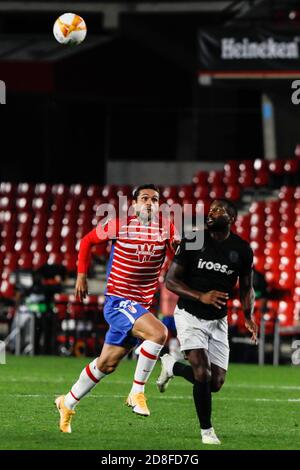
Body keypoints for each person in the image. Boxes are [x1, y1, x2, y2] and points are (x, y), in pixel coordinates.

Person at [55, 184, 179, 433]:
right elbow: (87, 241)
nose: (149, 202)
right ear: (133, 204)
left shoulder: (166, 228)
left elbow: (176, 260)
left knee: (106, 364)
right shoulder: (119, 224)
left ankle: (66, 403)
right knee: (159, 333)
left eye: (154, 199)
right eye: (144, 198)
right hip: (118, 301)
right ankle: (137, 393)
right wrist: (81, 275)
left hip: (140, 306)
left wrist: (178, 250)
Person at [156, 199, 257, 445]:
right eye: (210, 209)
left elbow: (246, 287)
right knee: (202, 371)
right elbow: (171, 281)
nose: (211, 213)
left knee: (216, 383)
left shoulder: (242, 250)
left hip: (218, 321)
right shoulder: (194, 240)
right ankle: (207, 431)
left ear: (232, 218)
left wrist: (248, 316)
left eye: (218, 210)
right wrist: (201, 295)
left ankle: (173, 367)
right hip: (189, 315)